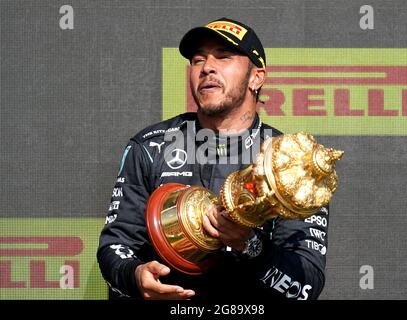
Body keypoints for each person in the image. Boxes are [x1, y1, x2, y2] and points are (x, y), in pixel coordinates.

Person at [97, 17, 329, 301]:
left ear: (256, 77)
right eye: (198, 60)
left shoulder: (291, 165)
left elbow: (305, 287)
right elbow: (116, 246)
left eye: (223, 57)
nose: (207, 67)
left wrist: (249, 245)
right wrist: (135, 276)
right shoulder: (151, 146)